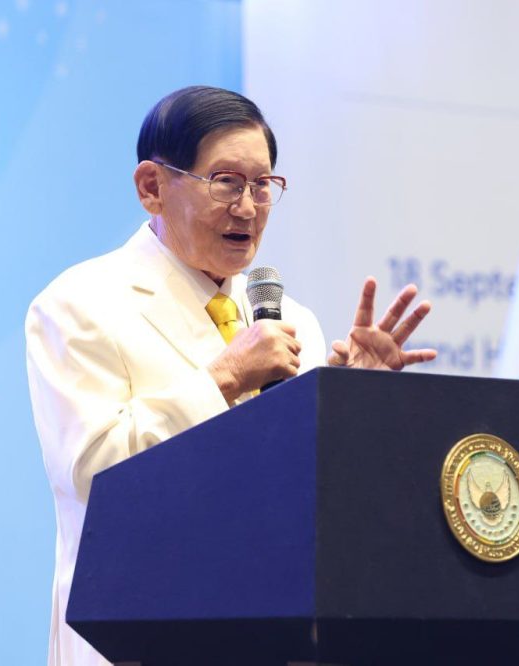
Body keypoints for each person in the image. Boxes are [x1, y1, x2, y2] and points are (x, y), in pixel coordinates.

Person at [25, 85, 437, 665]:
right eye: (225, 182)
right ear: (152, 187)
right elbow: (94, 473)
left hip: (278, 638)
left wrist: (349, 403)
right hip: (139, 640)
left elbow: (311, 505)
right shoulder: (80, 304)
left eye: (263, 185)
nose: (247, 208)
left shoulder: (291, 320)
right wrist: (225, 376)